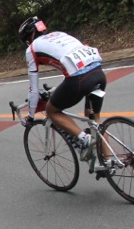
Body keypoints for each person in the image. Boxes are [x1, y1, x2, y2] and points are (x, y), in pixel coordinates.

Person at [18, 16, 107, 157]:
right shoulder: (60, 34)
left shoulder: (32, 50)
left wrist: (30, 116)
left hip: (79, 79)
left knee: (52, 111)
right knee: (94, 120)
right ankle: (109, 162)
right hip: (98, 72)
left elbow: (33, 89)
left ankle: (85, 139)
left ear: (29, 39)